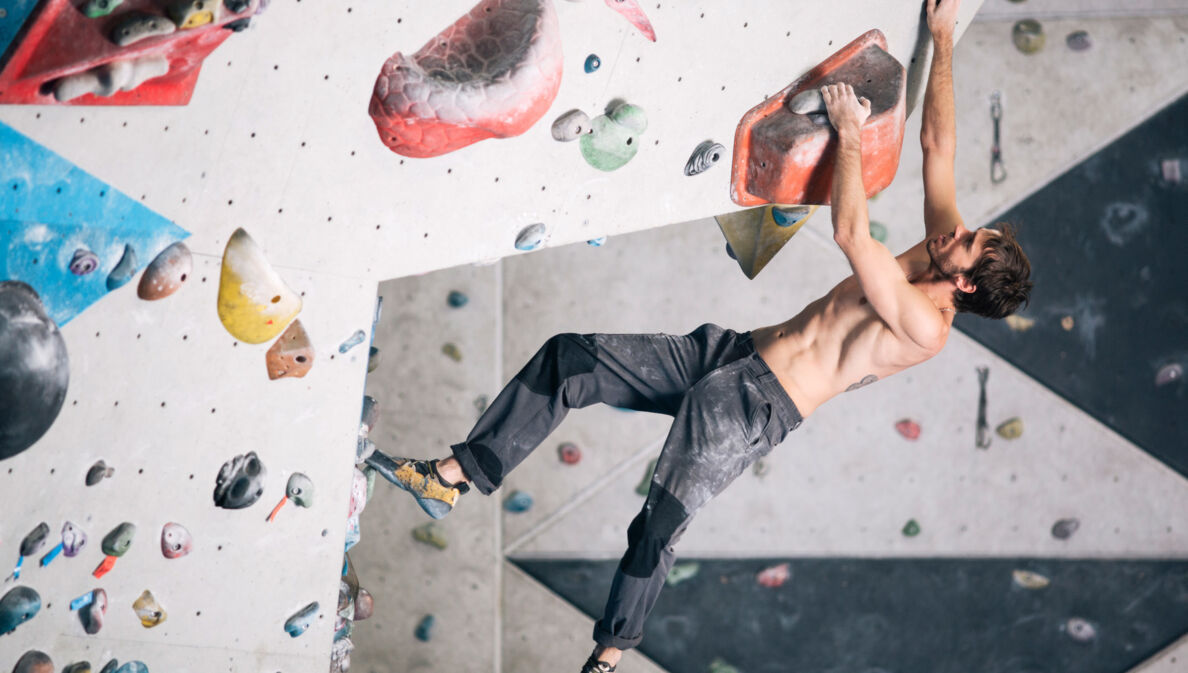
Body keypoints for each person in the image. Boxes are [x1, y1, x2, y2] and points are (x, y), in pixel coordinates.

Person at [366, 0, 1032, 670]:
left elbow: (853, 233)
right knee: (570, 359)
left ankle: (608, 655)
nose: (959, 231)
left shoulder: (926, 325)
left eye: (971, 244)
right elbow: (937, 147)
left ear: (967, 286)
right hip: (732, 353)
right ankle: (454, 474)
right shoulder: (941, 251)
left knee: (659, 521)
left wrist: (851, 133)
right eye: (975, 231)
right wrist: (943, 40)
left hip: (754, 409)